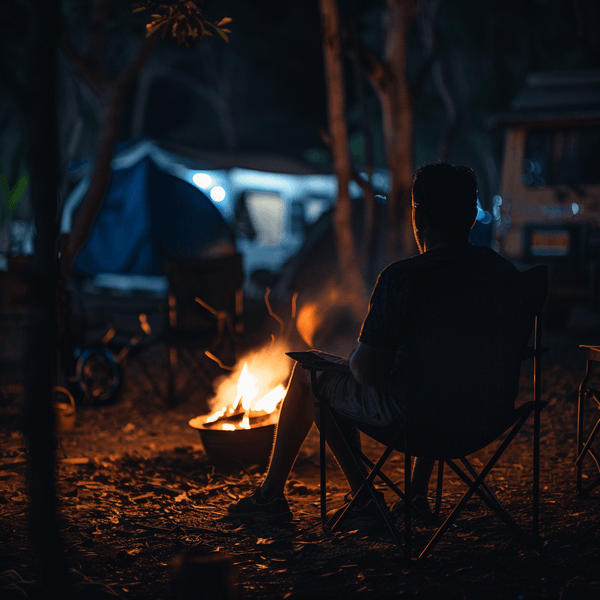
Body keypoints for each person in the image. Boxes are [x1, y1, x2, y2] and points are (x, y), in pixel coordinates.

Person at [229, 162, 524, 527]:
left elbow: (367, 373)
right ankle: (413, 496)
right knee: (438, 371)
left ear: (421, 217)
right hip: (487, 415)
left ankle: (283, 497)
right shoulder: (506, 276)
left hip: (420, 419)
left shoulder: (404, 279)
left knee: (309, 374)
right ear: (470, 216)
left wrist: (350, 360)